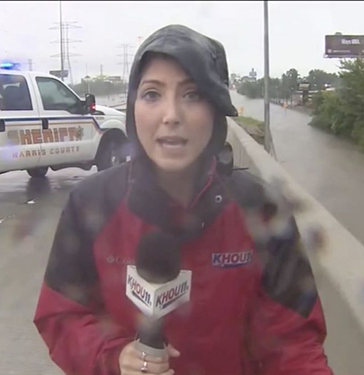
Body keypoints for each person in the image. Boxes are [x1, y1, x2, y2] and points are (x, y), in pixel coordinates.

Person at [34, 24, 333, 375]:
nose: (171, 115)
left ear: (216, 111)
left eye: (192, 95)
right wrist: (112, 358)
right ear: (132, 109)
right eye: (151, 94)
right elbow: (61, 315)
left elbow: (294, 344)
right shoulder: (90, 204)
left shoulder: (261, 209)